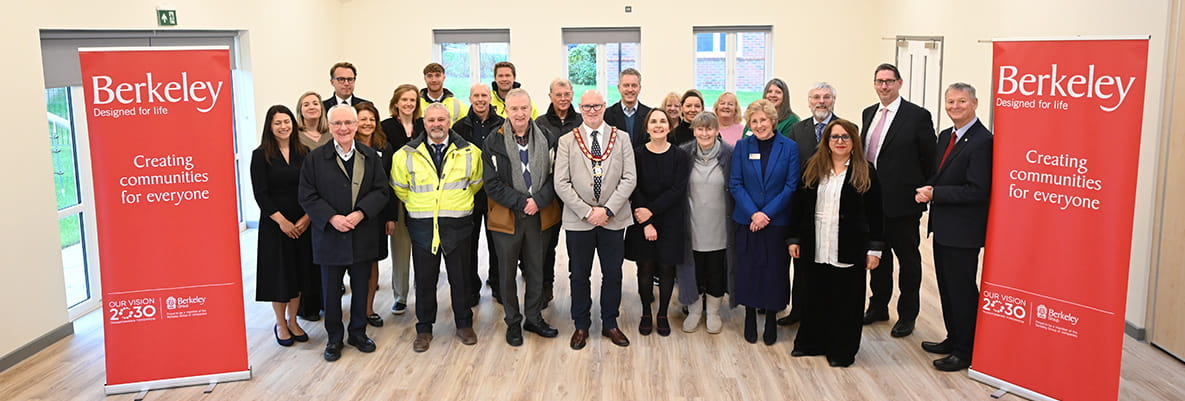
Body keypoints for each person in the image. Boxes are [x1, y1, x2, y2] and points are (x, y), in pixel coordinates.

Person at [786, 119, 884, 367]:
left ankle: (842, 350)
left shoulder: (865, 170)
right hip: (815, 243)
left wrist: (875, 249)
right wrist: (794, 238)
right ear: (826, 141)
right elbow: (799, 206)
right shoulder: (813, 167)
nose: (839, 142)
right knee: (815, 295)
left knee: (846, 301)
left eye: (845, 137)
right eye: (834, 137)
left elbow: (876, 214)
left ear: (854, 142)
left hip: (849, 246)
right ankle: (811, 343)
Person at [298, 105, 390, 362]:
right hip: (329, 236)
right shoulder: (315, 159)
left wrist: (361, 213)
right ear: (330, 126)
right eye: (337, 123)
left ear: (356, 125)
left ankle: (358, 333)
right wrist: (331, 218)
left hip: (362, 234)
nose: (343, 128)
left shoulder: (370, 156)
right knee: (330, 292)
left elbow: (382, 190)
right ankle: (334, 339)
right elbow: (307, 195)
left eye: (348, 122)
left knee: (361, 288)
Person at [391, 103, 485, 353]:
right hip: (422, 226)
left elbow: (476, 183)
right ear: (424, 123)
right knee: (424, 281)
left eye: (441, 119)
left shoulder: (470, 152)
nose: (436, 124)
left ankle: (464, 325)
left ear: (449, 122)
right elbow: (400, 188)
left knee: (461, 278)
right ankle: (424, 329)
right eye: (431, 120)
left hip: (458, 225)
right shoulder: (405, 154)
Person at [915, 82, 992, 372]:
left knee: (961, 291)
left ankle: (966, 350)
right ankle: (953, 338)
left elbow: (977, 190)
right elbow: (940, 174)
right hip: (945, 227)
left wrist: (936, 193)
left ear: (974, 103)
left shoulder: (983, 141)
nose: (954, 107)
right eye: (950, 102)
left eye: (961, 102)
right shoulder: (947, 135)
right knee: (946, 288)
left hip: (964, 231)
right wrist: (929, 188)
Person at [554, 90, 637, 350]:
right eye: (587, 106)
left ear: (604, 107)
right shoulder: (567, 140)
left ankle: (610, 322)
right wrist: (588, 211)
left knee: (612, 273)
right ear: (580, 108)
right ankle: (581, 324)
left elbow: (629, 178)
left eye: (597, 105)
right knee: (579, 274)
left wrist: (607, 210)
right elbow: (561, 182)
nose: (592, 110)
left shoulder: (621, 138)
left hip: (613, 219)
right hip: (580, 220)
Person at [861, 63, 937, 338]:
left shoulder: (917, 116)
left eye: (889, 81)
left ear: (899, 83)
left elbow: (931, 159)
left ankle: (907, 315)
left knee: (908, 262)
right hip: (873, 204)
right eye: (879, 81)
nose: (884, 86)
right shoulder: (868, 113)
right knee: (877, 257)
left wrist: (926, 190)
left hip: (903, 205)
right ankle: (878, 306)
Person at [482, 89, 562, 346]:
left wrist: (538, 201)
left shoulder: (547, 137)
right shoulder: (493, 141)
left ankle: (534, 318)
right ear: (506, 110)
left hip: (539, 215)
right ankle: (513, 322)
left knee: (536, 269)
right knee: (506, 274)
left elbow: (555, 176)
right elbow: (491, 183)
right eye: (514, 109)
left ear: (531, 109)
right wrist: (521, 202)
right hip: (506, 217)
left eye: (524, 108)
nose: (519, 113)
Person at [729, 99, 799, 345]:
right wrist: (753, 214)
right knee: (748, 268)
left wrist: (766, 214)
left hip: (776, 222)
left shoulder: (789, 147)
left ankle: (771, 317)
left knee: (774, 271)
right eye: (754, 121)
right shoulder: (742, 146)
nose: (759, 125)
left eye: (763, 120)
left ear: (773, 121)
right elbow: (735, 183)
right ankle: (749, 314)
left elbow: (791, 186)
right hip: (747, 221)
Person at [778, 82, 845, 327]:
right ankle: (798, 311)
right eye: (816, 97)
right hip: (805, 205)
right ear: (809, 102)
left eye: (827, 97)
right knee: (802, 263)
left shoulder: (846, 129)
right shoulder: (798, 129)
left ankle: (825, 314)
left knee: (829, 263)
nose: (821, 101)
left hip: (835, 205)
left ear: (833, 100)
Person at [251, 105, 313, 347]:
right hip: (276, 226)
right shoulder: (260, 155)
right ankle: (280, 322)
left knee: (297, 274)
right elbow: (261, 194)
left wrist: (306, 218)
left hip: (302, 223)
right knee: (280, 276)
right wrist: (282, 221)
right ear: (270, 126)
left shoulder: (304, 152)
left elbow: (312, 188)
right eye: (277, 123)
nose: (283, 127)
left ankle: (293, 319)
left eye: (286, 121)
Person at [625, 108, 690, 337]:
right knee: (645, 266)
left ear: (669, 126)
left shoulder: (680, 156)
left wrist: (651, 212)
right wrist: (646, 222)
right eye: (654, 121)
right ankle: (645, 312)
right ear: (647, 127)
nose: (659, 125)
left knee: (666, 268)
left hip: (670, 220)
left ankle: (662, 314)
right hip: (641, 219)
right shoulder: (636, 154)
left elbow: (677, 190)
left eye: (663, 121)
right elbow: (634, 186)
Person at [677, 112, 734, 334]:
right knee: (693, 269)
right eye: (700, 129)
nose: (705, 133)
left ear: (717, 130)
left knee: (715, 270)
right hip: (692, 224)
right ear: (694, 131)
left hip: (720, 225)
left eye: (709, 129)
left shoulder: (730, 154)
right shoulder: (684, 153)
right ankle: (693, 311)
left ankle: (713, 313)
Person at [453, 83, 504, 306]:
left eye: (484, 95)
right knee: (468, 245)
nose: (480, 99)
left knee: (498, 244)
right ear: (470, 98)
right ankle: (471, 289)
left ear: (490, 98)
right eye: (476, 96)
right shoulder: (459, 127)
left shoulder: (502, 125)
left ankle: (498, 285)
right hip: (468, 195)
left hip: (496, 194)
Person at [534, 79, 583, 308]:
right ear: (550, 96)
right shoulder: (540, 123)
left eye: (567, 94)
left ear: (572, 95)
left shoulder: (582, 121)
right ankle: (545, 290)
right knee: (546, 246)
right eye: (558, 94)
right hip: (549, 197)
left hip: (577, 197)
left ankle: (578, 292)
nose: (563, 98)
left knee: (577, 248)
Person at [379, 84, 425, 316]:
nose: (409, 104)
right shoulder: (384, 127)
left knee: (424, 246)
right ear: (396, 102)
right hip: (396, 194)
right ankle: (400, 296)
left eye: (412, 100)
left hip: (422, 195)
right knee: (400, 247)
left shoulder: (424, 124)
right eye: (404, 100)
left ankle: (423, 292)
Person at [354, 102, 396, 328]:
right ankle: (354, 309)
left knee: (372, 263)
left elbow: (388, 185)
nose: (367, 123)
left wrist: (390, 217)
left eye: (371, 119)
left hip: (377, 214)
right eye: (363, 119)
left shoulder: (384, 147)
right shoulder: (346, 146)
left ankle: (368, 309)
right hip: (350, 214)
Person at [293, 91, 329, 321]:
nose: (312, 107)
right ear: (300, 110)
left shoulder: (330, 134)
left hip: (329, 202)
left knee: (325, 258)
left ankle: (327, 302)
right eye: (306, 104)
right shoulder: (294, 136)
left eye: (315, 103)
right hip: (302, 202)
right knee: (306, 259)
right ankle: (308, 307)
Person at [603, 68, 653, 145]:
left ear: (639, 88)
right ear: (619, 88)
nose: (630, 89)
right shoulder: (607, 115)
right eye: (626, 85)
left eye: (634, 85)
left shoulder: (650, 115)